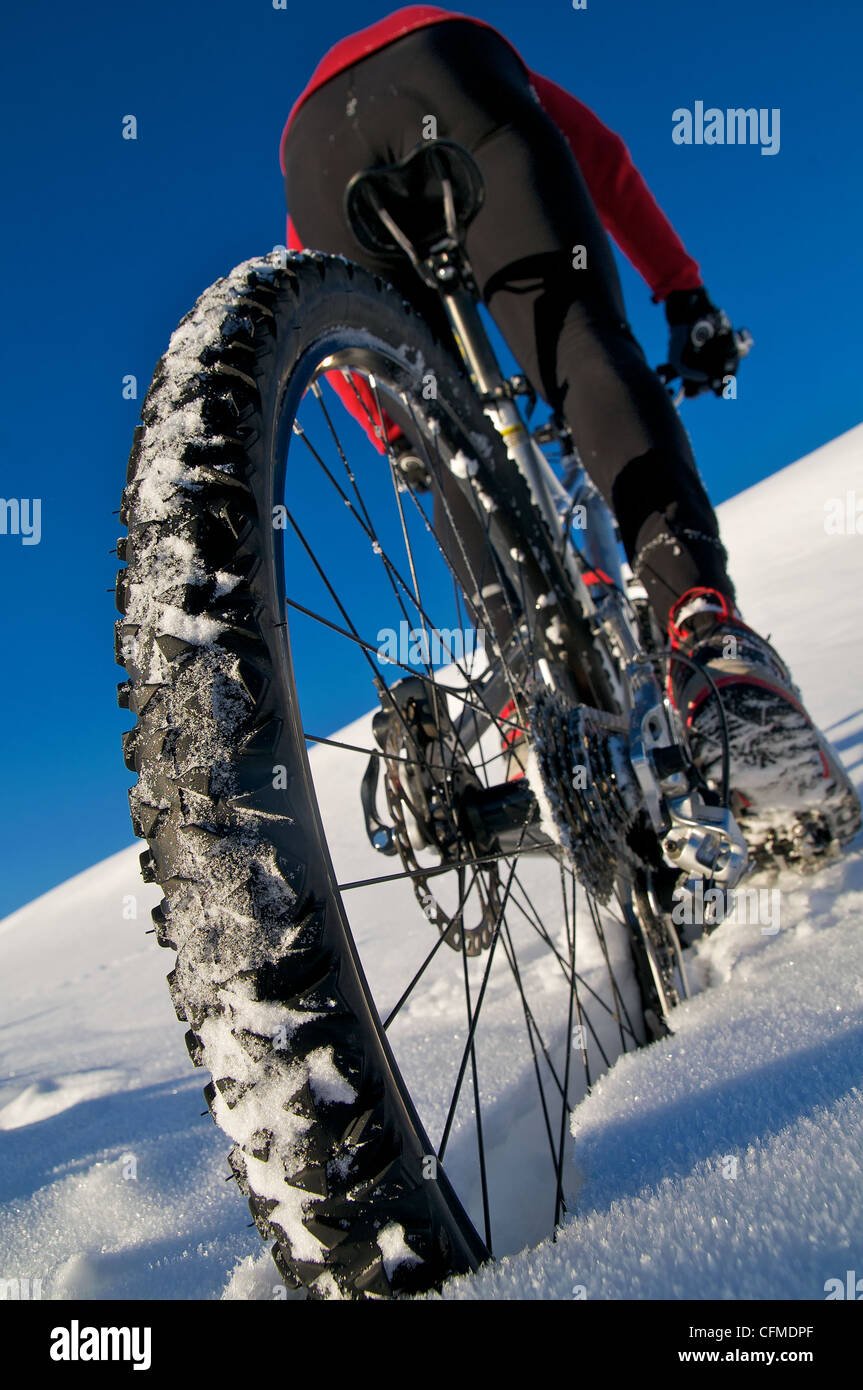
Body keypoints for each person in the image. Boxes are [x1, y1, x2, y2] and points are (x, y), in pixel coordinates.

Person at [279, 5, 851, 836]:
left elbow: (325, 298)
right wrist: (683, 298)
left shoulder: (313, 117)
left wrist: (395, 435)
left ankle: (523, 708)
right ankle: (701, 630)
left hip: (312, 153)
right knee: (581, 345)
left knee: (451, 451)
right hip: (451, 63)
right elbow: (605, 162)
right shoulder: (478, 58)